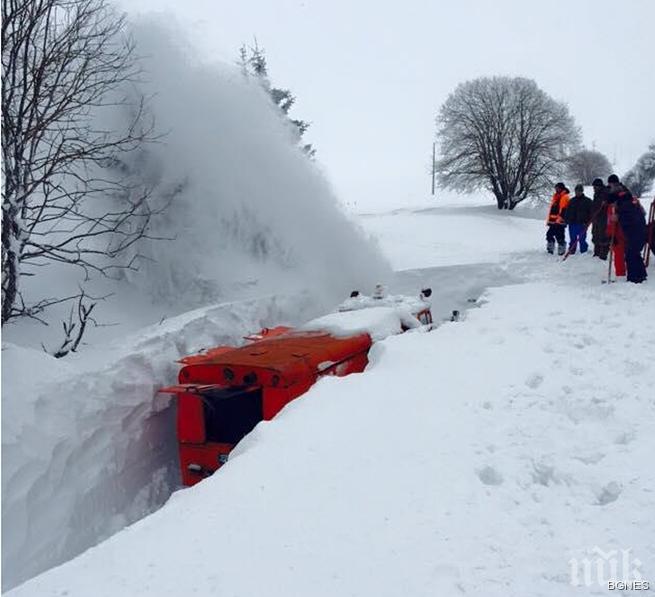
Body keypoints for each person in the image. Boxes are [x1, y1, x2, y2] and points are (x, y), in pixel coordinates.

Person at [606, 174, 647, 283]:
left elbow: (614, 220)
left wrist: (616, 218)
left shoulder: (619, 203)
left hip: (629, 232)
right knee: (634, 252)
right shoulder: (630, 199)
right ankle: (641, 275)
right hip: (637, 230)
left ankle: (633, 278)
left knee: (630, 254)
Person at [565, 184, 593, 254]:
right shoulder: (572, 201)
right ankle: (571, 250)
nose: (577, 192)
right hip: (572, 224)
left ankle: (583, 252)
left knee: (582, 239)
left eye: (579, 191)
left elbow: (591, 213)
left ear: (582, 191)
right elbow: (567, 211)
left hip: (582, 224)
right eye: (576, 191)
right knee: (573, 239)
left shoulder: (588, 201)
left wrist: (587, 222)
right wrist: (567, 220)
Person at [545, 182, 570, 255]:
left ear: (561, 188)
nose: (556, 189)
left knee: (560, 235)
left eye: (557, 188)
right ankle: (550, 247)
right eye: (556, 188)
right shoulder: (555, 196)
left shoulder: (565, 197)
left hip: (561, 220)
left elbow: (565, 209)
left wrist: (562, 217)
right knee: (549, 234)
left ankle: (561, 248)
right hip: (553, 220)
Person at [591, 178, 610, 260]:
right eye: (593, 187)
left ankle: (603, 253)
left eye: (595, 187)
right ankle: (596, 252)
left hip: (604, 217)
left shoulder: (605, 193)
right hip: (596, 217)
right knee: (595, 233)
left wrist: (605, 204)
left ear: (599, 186)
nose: (594, 189)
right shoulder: (596, 194)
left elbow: (607, 204)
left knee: (603, 235)